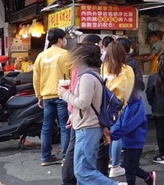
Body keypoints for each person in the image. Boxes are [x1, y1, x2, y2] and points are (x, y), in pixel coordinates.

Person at [56, 44, 116, 185]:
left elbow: (83, 103)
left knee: (82, 171)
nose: (73, 62)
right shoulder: (92, 75)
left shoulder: (87, 77)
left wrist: (65, 95)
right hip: (89, 126)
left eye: (75, 58)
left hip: (87, 127)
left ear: (82, 59)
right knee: (85, 170)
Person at [33, 28, 72, 166]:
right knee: (64, 127)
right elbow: (73, 75)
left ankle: (45, 157)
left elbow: (36, 78)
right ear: (60, 40)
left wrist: (39, 96)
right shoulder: (66, 55)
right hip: (63, 95)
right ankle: (65, 158)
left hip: (47, 96)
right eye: (64, 38)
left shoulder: (41, 56)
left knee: (46, 127)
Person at [102, 42, 138, 177]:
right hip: (120, 107)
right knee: (117, 135)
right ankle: (115, 165)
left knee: (106, 133)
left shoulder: (102, 68)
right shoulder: (127, 69)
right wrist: (124, 107)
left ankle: (107, 163)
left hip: (105, 107)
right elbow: (129, 90)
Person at [110, 88, 157, 185]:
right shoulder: (129, 106)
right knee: (130, 166)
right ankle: (148, 177)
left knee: (129, 170)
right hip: (128, 142)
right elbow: (120, 122)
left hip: (135, 143)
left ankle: (147, 177)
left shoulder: (138, 107)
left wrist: (112, 136)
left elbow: (128, 127)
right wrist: (112, 134)